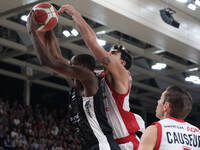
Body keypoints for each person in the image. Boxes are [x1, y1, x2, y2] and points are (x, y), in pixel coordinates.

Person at [26, 11, 121, 150]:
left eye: (72, 65)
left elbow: (48, 61)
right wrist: (48, 29)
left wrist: (32, 30)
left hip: (103, 145)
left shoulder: (89, 79)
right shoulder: (79, 84)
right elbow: (56, 58)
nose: (68, 67)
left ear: (83, 69)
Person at [59, 5, 145, 150]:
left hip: (128, 143)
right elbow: (71, 70)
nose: (107, 54)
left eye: (112, 53)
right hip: (108, 142)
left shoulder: (123, 75)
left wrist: (75, 14)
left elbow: (92, 42)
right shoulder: (99, 75)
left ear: (122, 63)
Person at [138, 86, 200, 150]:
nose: (158, 101)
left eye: (160, 99)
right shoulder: (198, 133)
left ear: (166, 106)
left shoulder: (155, 130)